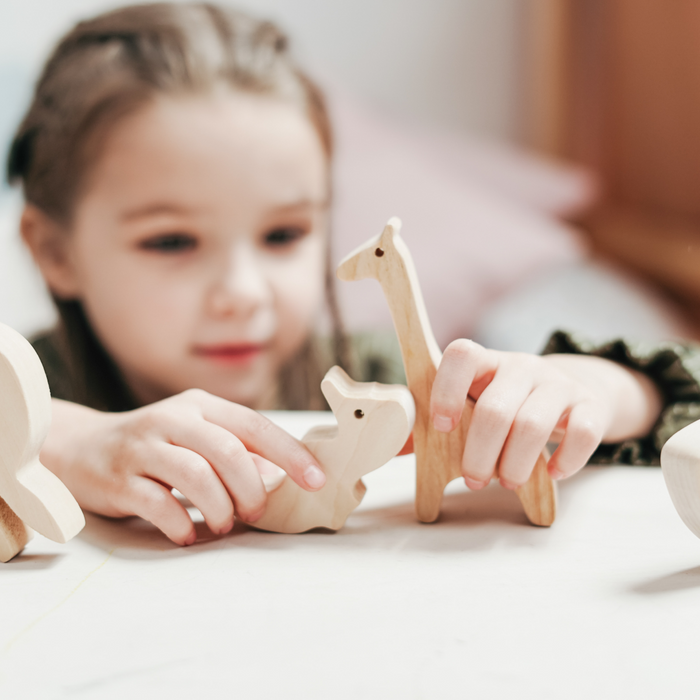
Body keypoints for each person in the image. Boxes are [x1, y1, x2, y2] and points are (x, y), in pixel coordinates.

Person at [7, 3, 699, 545]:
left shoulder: (384, 386)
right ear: (55, 253)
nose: (244, 295)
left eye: (283, 234)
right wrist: (61, 441)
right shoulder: (31, 381)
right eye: (170, 242)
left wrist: (604, 390)